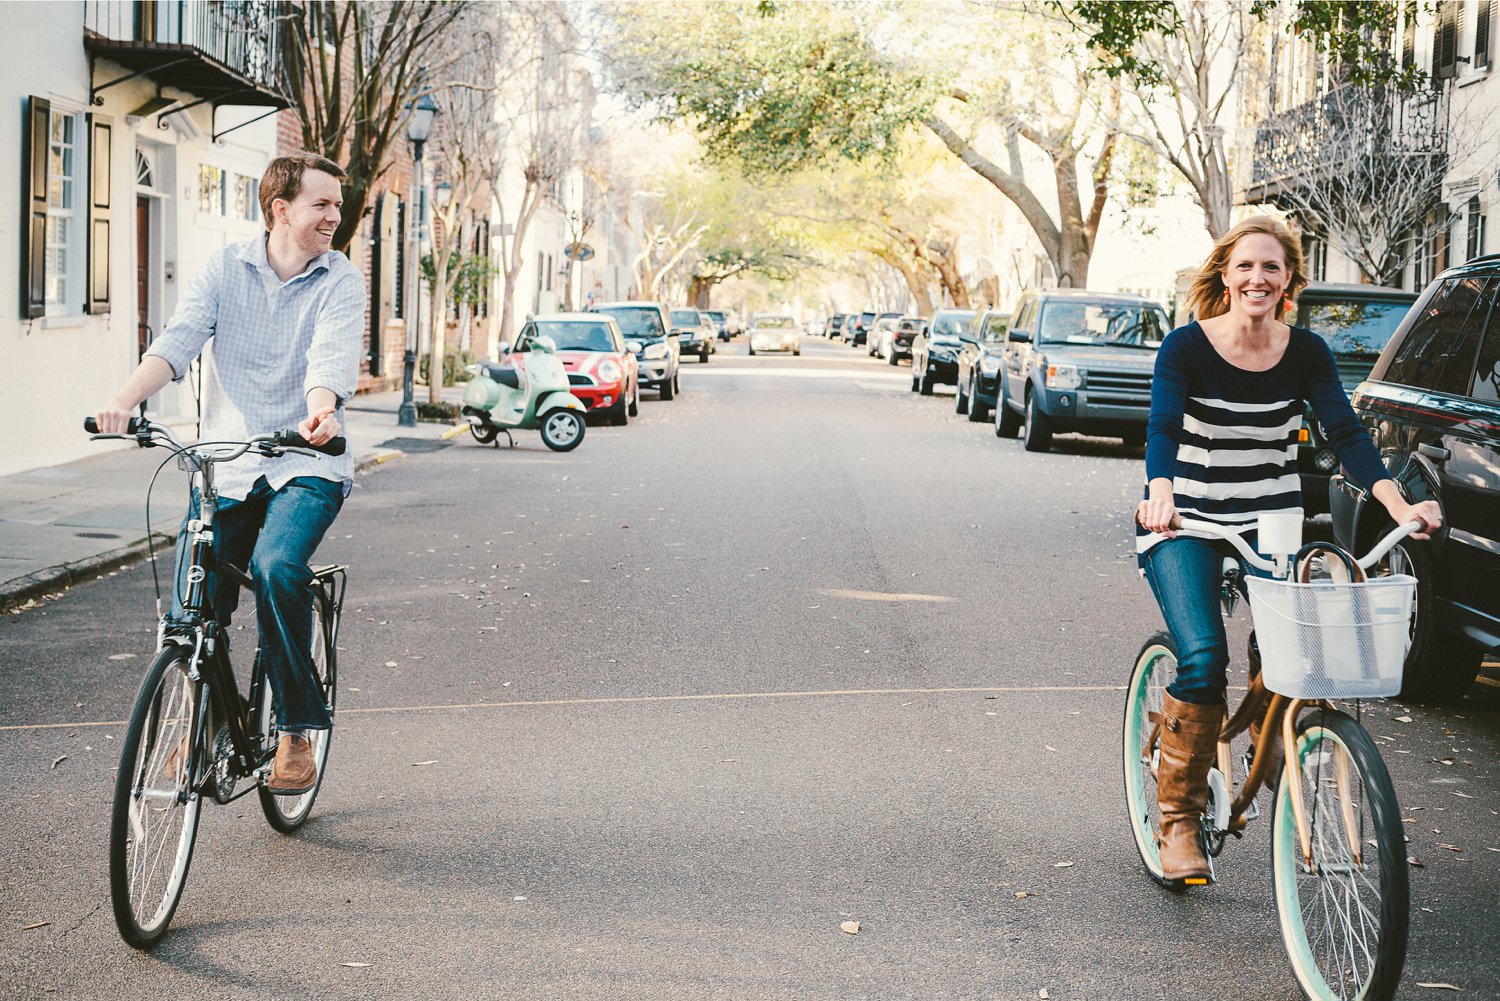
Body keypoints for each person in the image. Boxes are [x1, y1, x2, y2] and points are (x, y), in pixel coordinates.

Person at [1135, 215, 1440, 883]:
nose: (1257, 278)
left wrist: (1399, 505)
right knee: (1203, 657)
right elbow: (1162, 425)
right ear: (1225, 273)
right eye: (1245, 266)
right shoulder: (1186, 346)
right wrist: (1160, 492)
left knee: (1297, 651)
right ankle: (1179, 819)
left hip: (1269, 518)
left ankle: (1266, 737)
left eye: (1270, 268)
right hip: (1185, 519)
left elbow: (1348, 437)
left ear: (1289, 281)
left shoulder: (1305, 352)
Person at [93, 152, 365, 795]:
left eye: (336, 204)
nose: (335, 215)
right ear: (281, 209)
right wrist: (125, 402)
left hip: (308, 458)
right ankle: (195, 718)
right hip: (227, 463)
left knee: (276, 568)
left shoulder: (341, 280)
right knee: (196, 605)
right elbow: (179, 341)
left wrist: (321, 409)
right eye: (322, 204)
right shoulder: (223, 270)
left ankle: (297, 728)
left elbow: (329, 357)